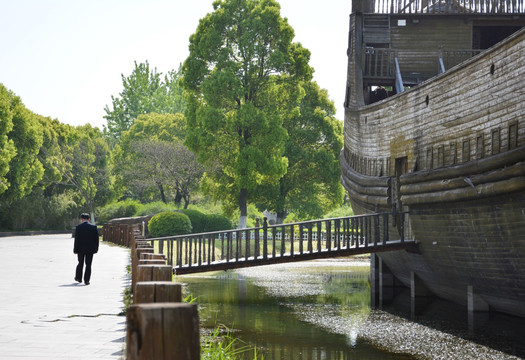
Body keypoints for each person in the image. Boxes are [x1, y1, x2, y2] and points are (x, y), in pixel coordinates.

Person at [74, 213, 99, 285]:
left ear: (82, 219)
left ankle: (78, 277)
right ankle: (87, 280)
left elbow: (77, 240)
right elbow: (96, 239)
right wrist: (96, 248)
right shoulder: (93, 227)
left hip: (80, 249)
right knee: (88, 264)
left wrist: (75, 250)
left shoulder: (79, 227)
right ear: (89, 219)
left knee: (80, 263)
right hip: (90, 249)